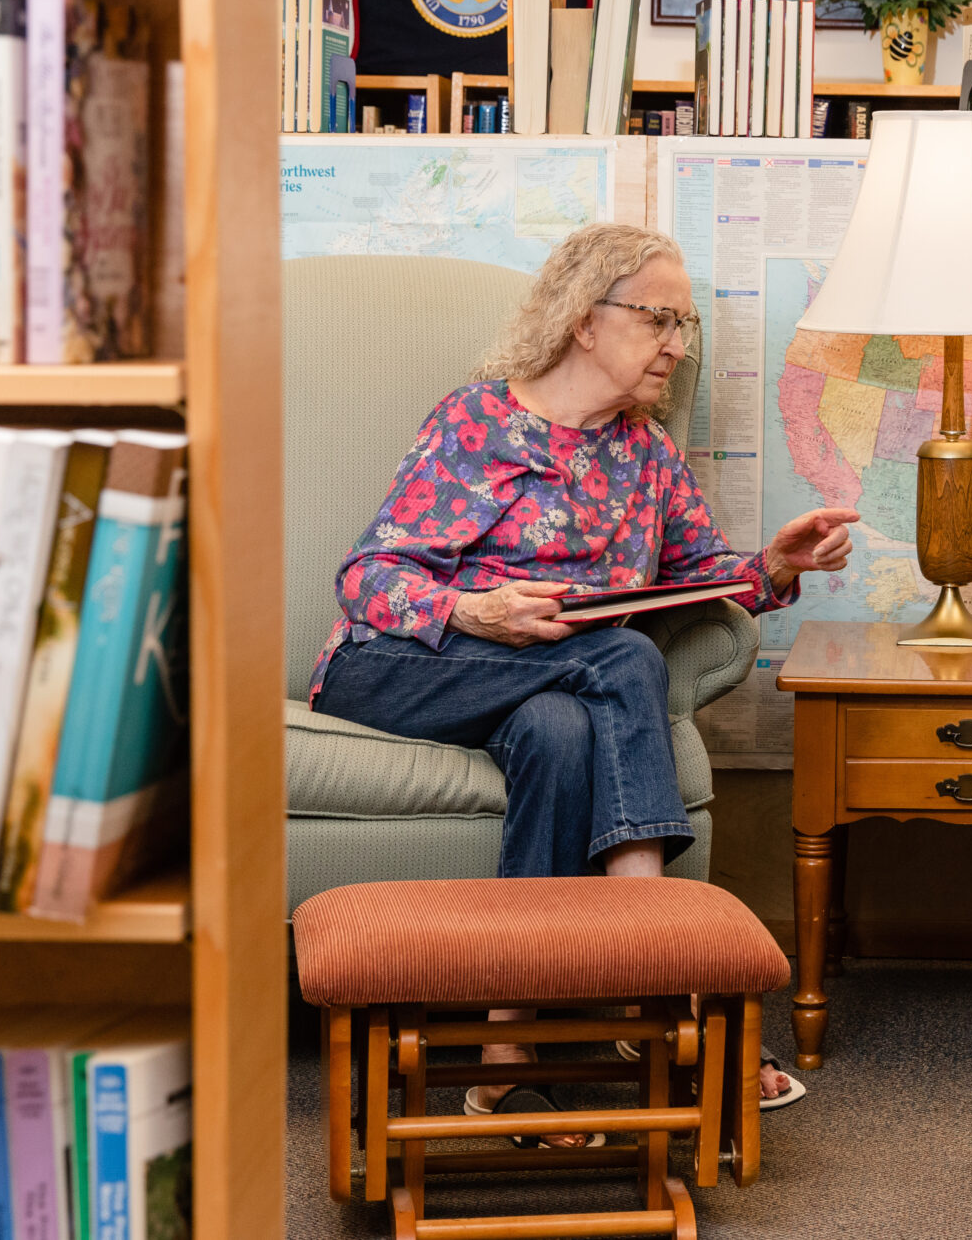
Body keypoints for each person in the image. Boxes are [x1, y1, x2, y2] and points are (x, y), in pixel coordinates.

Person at [311, 221, 855, 1120]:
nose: (678, 346)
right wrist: (475, 609)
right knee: (619, 651)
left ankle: (503, 1046)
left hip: (543, 687)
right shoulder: (479, 421)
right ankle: (665, 976)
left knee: (563, 729)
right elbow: (368, 575)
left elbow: (703, 580)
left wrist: (782, 562)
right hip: (403, 664)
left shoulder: (642, 452)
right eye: (659, 320)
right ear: (584, 320)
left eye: (683, 327)